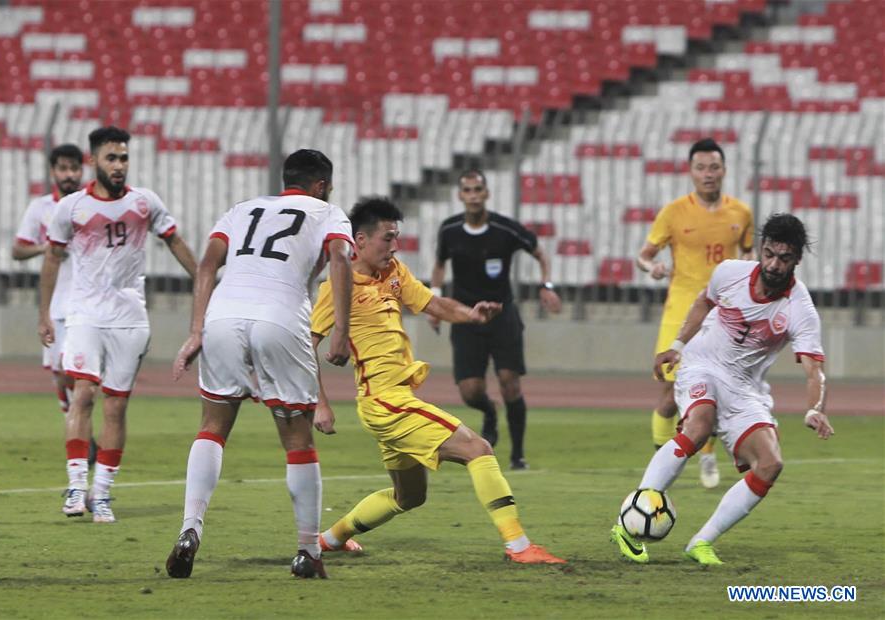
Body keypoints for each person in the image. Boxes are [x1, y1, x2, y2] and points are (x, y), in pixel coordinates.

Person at [311, 197, 565, 565]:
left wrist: (471, 315)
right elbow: (307, 344)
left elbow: (432, 303)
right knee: (478, 449)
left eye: (397, 237)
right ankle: (519, 546)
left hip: (391, 401)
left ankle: (331, 539)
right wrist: (320, 402)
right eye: (387, 238)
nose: (394, 246)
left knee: (408, 498)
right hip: (386, 403)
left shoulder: (394, 271)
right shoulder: (338, 286)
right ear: (361, 241)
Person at [164, 149, 354, 580]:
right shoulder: (327, 212)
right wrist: (340, 330)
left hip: (223, 315)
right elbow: (341, 259)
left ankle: (190, 528)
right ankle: (308, 551)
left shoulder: (242, 209)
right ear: (321, 185)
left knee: (212, 427)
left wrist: (196, 330)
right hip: (281, 316)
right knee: (297, 437)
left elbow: (208, 265)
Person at [611, 213, 833, 565]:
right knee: (699, 425)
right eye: (770, 254)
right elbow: (703, 302)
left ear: (797, 260)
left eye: (785, 258)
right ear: (761, 249)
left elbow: (814, 371)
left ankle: (701, 542)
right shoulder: (730, 272)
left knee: (771, 463)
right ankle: (627, 523)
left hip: (746, 388)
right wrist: (678, 345)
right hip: (702, 364)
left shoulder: (800, 309)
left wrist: (814, 409)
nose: (775, 265)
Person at [39, 126, 197, 523]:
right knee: (83, 394)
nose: (120, 165)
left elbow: (174, 241)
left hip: (130, 318)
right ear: (94, 161)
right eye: (112, 157)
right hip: (85, 315)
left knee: (116, 406)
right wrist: (43, 314)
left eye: (124, 157)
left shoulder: (145, 203)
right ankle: (76, 486)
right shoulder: (72, 207)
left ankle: (103, 493)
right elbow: (52, 259)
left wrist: (203, 279)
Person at [636, 138, 754, 488]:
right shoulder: (673, 212)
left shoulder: (741, 213)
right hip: (680, 311)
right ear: (690, 172)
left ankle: (706, 455)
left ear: (724, 170)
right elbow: (643, 254)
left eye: (714, 167)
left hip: (722, 315)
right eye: (701, 167)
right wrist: (651, 266)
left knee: (714, 387)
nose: (708, 174)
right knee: (669, 396)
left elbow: (748, 253)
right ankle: (662, 457)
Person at [429, 170, 561, 470]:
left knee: (509, 382)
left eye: (478, 189)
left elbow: (541, 254)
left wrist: (546, 285)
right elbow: (438, 266)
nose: (474, 195)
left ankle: (518, 456)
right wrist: (434, 303)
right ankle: (489, 411)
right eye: (468, 190)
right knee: (470, 390)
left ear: (487, 194)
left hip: (502, 316)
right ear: (460, 196)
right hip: (464, 316)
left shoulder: (505, 229)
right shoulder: (449, 230)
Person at [13, 144, 84, 416]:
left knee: (79, 369)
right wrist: (47, 248)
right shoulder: (41, 207)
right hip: (56, 303)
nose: (69, 174)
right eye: (63, 168)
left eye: (74, 168)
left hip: (87, 300)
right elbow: (17, 250)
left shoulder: (89, 205)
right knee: (61, 370)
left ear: (82, 170)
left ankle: (78, 424)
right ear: (53, 171)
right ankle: (74, 421)